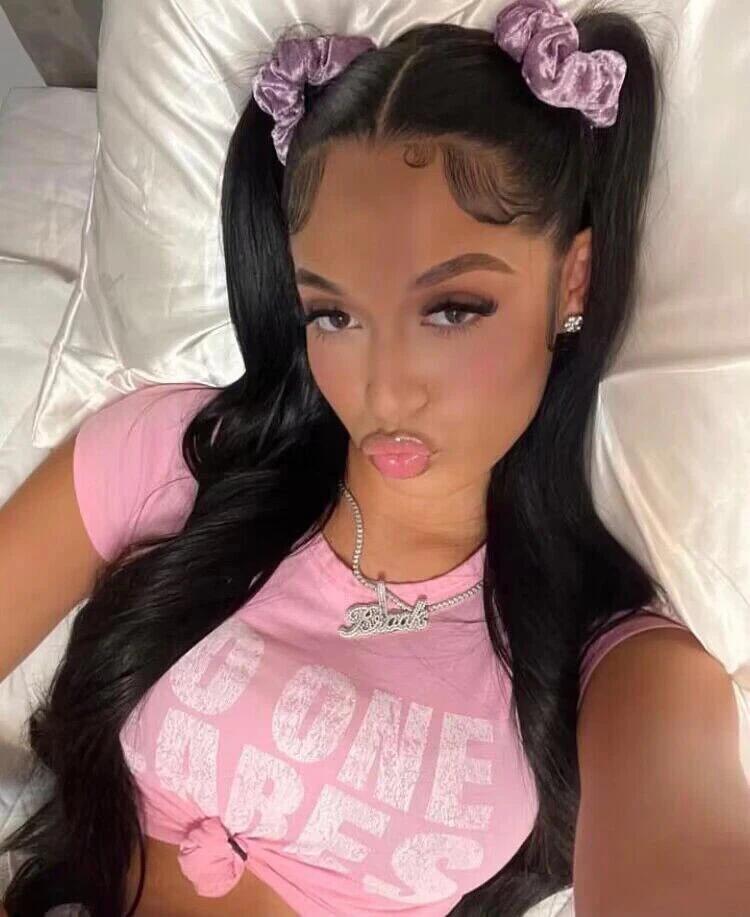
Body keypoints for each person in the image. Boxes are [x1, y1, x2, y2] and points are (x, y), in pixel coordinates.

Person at [2, 1, 748, 915]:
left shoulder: (601, 650)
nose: (386, 389)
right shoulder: (178, 458)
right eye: (335, 315)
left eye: (452, 309)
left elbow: (683, 841)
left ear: (574, 280)